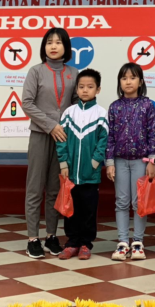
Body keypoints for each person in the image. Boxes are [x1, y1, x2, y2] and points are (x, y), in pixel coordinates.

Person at [22, 27, 79, 259]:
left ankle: (51, 236)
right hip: (40, 134)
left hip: (63, 137)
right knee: (35, 187)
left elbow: (76, 104)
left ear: (66, 47)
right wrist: (50, 125)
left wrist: (66, 127)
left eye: (58, 42)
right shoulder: (35, 71)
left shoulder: (74, 73)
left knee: (56, 188)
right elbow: (27, 103)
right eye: (49, 42)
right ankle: (32, 238)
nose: (53, 46)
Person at [105, 62, 155, 261]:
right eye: (124, 78)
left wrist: (151, 161)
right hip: (120, 161)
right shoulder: (114, 107)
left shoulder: (147, 105)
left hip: (140, 161)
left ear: (141, 82)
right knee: (121, 202)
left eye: (133, 78)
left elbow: (152, 134)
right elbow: (110, 137)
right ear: (119, 82)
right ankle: (122, 242)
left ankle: (137, 242)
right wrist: (110, 162)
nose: (128, 82)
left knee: (139, 203)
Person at [55, 69, 108, 260]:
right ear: (76, 89)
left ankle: (86, 244)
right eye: (81, 87)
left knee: (88, 210)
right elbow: (61, 140)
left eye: (90, 87)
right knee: (71, 210)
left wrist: (95, 162)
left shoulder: (101, 114)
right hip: (70, 173)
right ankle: (72, 243)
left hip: (90, 174)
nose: (85, 90)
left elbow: (103, 141)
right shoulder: (69, 113)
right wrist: (63, 163)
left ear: (98, 89)